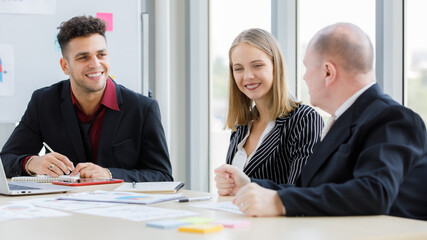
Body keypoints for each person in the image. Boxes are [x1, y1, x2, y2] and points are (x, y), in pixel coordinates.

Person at [215, 23, 427, 220]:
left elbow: (374, 193)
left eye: (307, 67)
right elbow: (307, 191)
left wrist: (281, 202)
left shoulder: (392, 119)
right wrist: (249, 184)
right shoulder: (343, 122)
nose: (305, 77)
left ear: (328, 72)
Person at [0, 15, 173, 182]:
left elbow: (162, 176)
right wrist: (32, 163)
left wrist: (109, 174)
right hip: (63, 207)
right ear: (65, 66)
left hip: (122, 208)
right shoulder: (43, 102)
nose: (95, 64)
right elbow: (6, 159)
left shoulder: (143, 108)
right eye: (83, 57)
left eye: (101, 54)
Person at [224, 28, 323, 184]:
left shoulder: (304, 119)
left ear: (275, 66)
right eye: (238, 68)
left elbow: (301, 191)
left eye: (257, 65)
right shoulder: (242, 125)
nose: (247, 76)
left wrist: (248, 186)